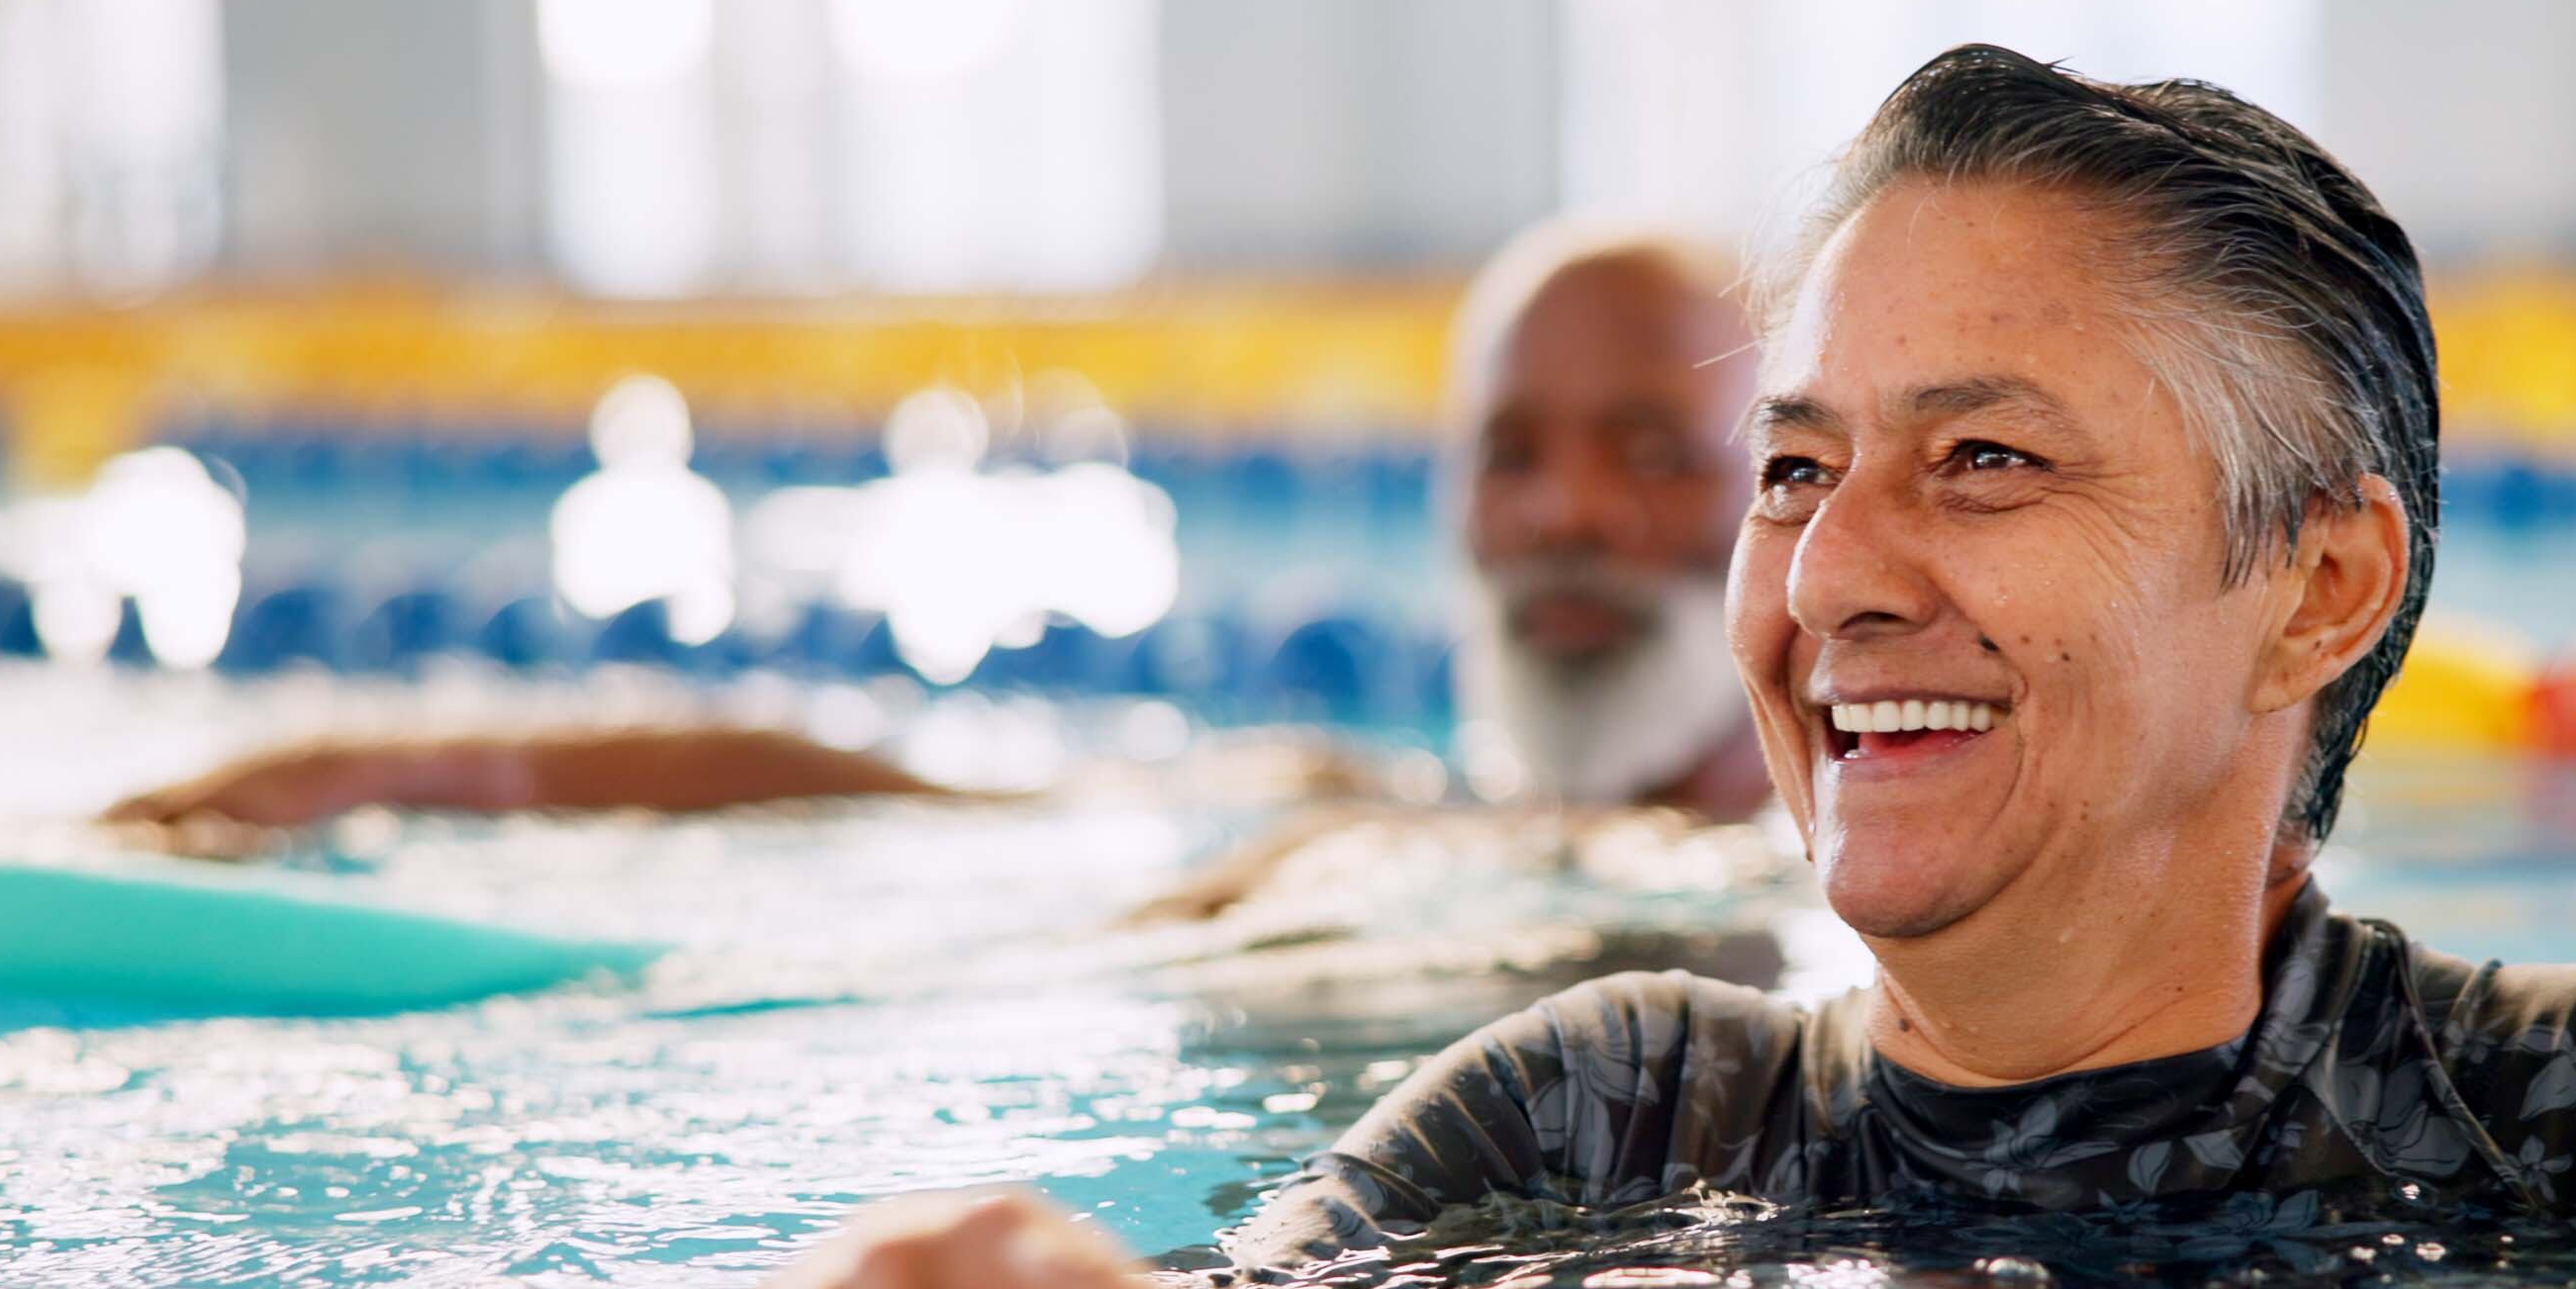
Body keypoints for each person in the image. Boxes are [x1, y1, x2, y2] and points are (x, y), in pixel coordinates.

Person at [728, 46, 2576, 1289]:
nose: (1826, 577)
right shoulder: (1602, 1113)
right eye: (1798, 470)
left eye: (1983, 461)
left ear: (2318, 588)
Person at [103, 226, 1765, 850]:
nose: (1567, 516)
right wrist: (401, 773)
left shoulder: (1860, 914)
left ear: (1787, 497)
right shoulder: (1352, 809)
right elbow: (890, 793)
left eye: (1651, 455)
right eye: (1511, 456)